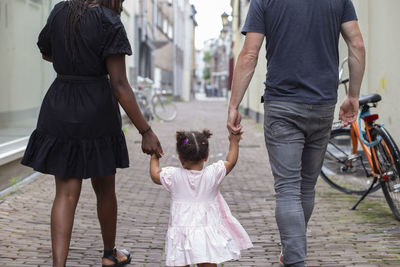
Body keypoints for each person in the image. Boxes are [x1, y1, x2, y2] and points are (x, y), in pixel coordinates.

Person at [21, 1, 163, 266]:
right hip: (96, 108)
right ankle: (110, 254)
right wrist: (146, 131)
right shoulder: (108, 20)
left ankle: (58, 265)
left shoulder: (60, 11)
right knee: (105, 189)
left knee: (65, 193)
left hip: (60, 103)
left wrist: (72, 60)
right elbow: (119, 84)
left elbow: (46, 52)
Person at [227, 0, 365, 266]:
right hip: (323, 104)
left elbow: (249, 55)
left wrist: (234, 104)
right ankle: (292, 249)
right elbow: (357, 44)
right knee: (305, 187)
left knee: (288, 189)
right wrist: (353, 95)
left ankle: (294, 258)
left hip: (282, 105)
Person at [149, 130, 253, 266]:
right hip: (207, 233)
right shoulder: (213, 173)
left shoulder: (173, 176)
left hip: (182, 233)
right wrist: (234, 141)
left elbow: (155, 175)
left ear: (180, 159)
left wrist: (154, 156)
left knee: (180, 261)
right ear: (206, 156)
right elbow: (230, 161)